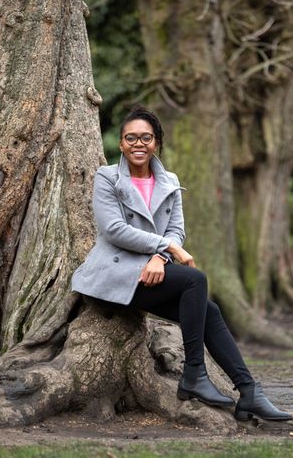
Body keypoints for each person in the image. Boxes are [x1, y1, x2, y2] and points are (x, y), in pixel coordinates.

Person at [72, 105, 292, 422]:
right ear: (121, 143)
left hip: (150, 273)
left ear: (156, 142)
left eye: (145, 137)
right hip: (113, 276)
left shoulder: (169, 181)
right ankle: (194, 374)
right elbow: (114, 230)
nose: (138, 144)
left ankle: (249, 393)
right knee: (195, 280)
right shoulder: (107, 177)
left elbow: (177, 229)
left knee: (209, 309)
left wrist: (160, 258)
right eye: (130, 138)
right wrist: (166, 248)